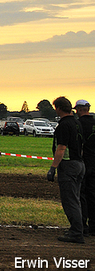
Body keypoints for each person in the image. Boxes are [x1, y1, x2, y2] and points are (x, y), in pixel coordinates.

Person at [48, 96, 85, 243]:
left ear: (58, 108)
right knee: (76, 199)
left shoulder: (63, 125)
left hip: (69, 166)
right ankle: (78, 228)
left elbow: (61, 148)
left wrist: (53, 168)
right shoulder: (77, 123)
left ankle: (76, 232)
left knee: (70, 201)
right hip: (79, 164)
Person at [75, 99, 95, 237]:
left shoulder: (78, 124)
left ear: (81, 109)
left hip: (84, 163)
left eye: (77, 110)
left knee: (81, 194)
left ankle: (82, 224)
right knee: (93, 194)